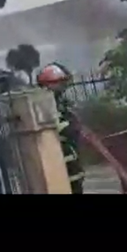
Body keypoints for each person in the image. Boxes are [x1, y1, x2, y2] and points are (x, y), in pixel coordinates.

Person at [37, 62, 84, 194]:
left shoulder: (61, 103)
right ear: (49, 85)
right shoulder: (45, 105)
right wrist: (71, 126)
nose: (63, 87)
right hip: (60, 163)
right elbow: (60, 127)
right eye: (59, 83)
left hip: (72, 160)